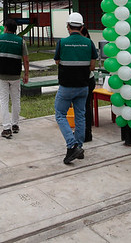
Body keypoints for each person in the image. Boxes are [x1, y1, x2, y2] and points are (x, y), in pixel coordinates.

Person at [54, 12, 97, 164]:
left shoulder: (62, 42)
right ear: (82, 26)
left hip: (66, 86)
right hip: (83, 86)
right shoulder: (89, 43)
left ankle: (72, 145)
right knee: (80, 116)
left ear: (68, 26)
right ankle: (79, 147)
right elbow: (92, 65)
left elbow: (57, 61)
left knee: (60, 114)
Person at [0, 19, 30, 138]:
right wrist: (26, 74)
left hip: (1, 75)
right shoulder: (21, 41)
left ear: (5, 28)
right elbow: (26, 59)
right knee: (16, 99)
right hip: (15, 76)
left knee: (4, 101)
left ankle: (6, 128)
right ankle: (15, 125)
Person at [80, 25, 97, 142]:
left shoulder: (89, 44)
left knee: (85, 107)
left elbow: (92, 67)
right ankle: (84, 131)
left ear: (86, 35)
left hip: (88, 80)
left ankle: (87, 133)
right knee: (82, 107)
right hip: (81, 79)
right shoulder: (81, 43)